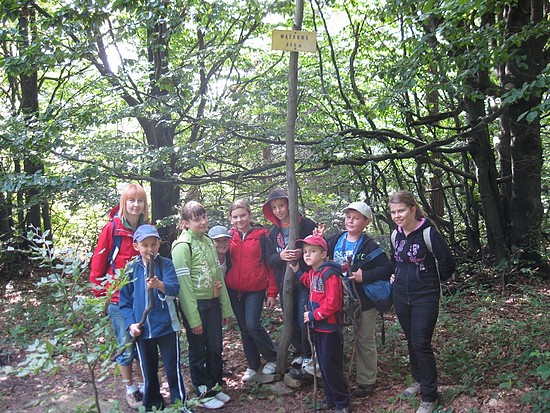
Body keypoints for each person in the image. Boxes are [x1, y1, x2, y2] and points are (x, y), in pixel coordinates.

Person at [388, 191, 456, 413]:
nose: (397, 216)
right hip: (401, 295)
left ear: (413, 209)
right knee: (410, 339)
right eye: (393, 212)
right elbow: (394, 261)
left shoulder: (428, 233)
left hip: (425, 296)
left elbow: (447, 263)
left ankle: (429, 395)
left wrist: (430, 281)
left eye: (401, 211)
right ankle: (417, 380)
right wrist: (394, 275)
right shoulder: (395, 235)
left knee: (421, 343)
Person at [320, 202, 393, 398]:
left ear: (366, 222)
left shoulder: (370, 245)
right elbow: (316, 253)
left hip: (363, 300)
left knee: (364, 339)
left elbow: (387, 268)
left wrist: (364, 276)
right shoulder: (334, 240)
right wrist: (317, 239)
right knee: (333, 337)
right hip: (335, 299)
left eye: (356, 218)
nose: (351, 221)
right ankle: (333, 378)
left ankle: (366, 381)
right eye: (348, 217)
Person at [89, 183, 148, 409]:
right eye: (131, 200)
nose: (135, 205)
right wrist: (101, 296)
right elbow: (98, 264)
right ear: (124, 203)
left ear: (144, 205)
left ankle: (145, 385)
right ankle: (130, 388)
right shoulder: (111, 229)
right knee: (125, 345)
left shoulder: (147, 228)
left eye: (140, 200)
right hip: (118, 299)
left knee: (144, 342)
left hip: (142, 297)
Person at [119, 224, 188, 412]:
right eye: (145, 245)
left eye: (153, 244)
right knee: (149, 373)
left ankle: (180, 405)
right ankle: (152, 405)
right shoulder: (131, 269)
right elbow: (124, 303)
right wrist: (131, 325)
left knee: (173, 370)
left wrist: (159, 285)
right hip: (143, 331)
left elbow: (174, 289)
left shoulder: (165, 264)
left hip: (167, 327)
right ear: (136, 246)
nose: (149, 249)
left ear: (159, 244)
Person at [172, 201, 233, 410]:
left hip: (213, 303)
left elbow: (218, 277)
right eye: (197, 219)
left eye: (204, 217)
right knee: (199, 349)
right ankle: (202, 390)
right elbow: (184, 286)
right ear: (185, 223)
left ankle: (215, 386)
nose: (203, 222)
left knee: (215, 347)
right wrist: (193, 318)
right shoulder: (182, 246)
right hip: (196, 304)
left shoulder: (208, 241)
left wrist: (225, 307)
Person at [289, 235, 351, 413]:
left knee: (331, 366)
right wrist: (297, 271)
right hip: (318, 327)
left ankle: (343, 402)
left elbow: (333, 304)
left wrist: (313, 315)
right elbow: (309, 282)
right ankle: (331, 398)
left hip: (329, 328)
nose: (307, 255)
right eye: (305, 251)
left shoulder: (329, 274)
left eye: (313, 251)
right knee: (323, 365)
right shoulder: (315, 272)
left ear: (324, 254)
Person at [262, 188, 317, 369]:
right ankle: (298, 352)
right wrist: (281, 256)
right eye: (275, 207)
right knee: (290, 318)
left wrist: (304, 252)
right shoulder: (272, 234)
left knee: (304, 318)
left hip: (305, 280)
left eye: (282, 206)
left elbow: (320, 249)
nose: (279, 211)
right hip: (284, 284)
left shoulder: (307, 225)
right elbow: (269, 259)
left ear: (289, 205)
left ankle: (309, 353)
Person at [224, 199, 278, 382]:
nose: (239, 220)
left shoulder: (262, 235)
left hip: (255, 288)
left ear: (250, 215)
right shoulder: (228, 236)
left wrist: (271, 292)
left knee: (252, 325)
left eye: (243, 215)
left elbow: (270, 265)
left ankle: (272, 357)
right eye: (235, 217)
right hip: (234, 289)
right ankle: (253, 365)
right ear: (231, 218)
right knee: (244, 329)